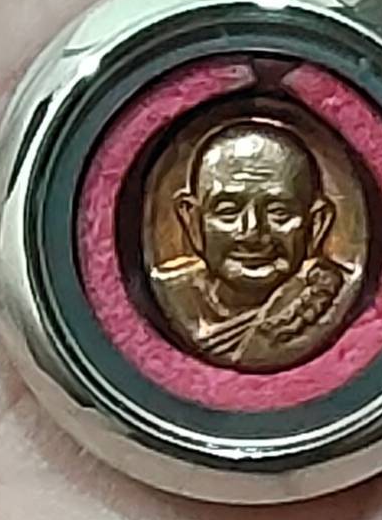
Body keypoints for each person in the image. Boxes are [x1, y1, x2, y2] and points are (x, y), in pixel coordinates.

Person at [150, 120, 356, 370]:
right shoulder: (167, 298)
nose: (252, 233)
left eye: (278, 212)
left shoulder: (334, 298)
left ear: (316, 223)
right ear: (192, 220)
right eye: (228, 211)